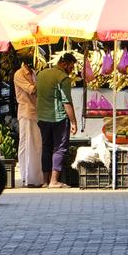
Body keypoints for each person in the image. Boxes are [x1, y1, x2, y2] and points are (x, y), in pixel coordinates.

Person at [36, 52, 78, 188]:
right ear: (64, 64)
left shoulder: (41, 74)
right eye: (71, 67)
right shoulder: (63, 78)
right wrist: (73, 122)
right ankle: (54, 181)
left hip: (42, 117)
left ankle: (45, 181)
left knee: (46, 147)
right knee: (60, 148)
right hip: (58, 118)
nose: (71, 71)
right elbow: (67, 102)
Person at [14, 57, 43, 188]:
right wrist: (45, 82)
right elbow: (32, 90)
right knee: (26, 144)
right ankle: (27, 177)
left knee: (36, 145)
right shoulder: (19, 74)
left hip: (35, 112)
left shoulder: (33, 73)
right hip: (26, 112)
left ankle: (36, 177)